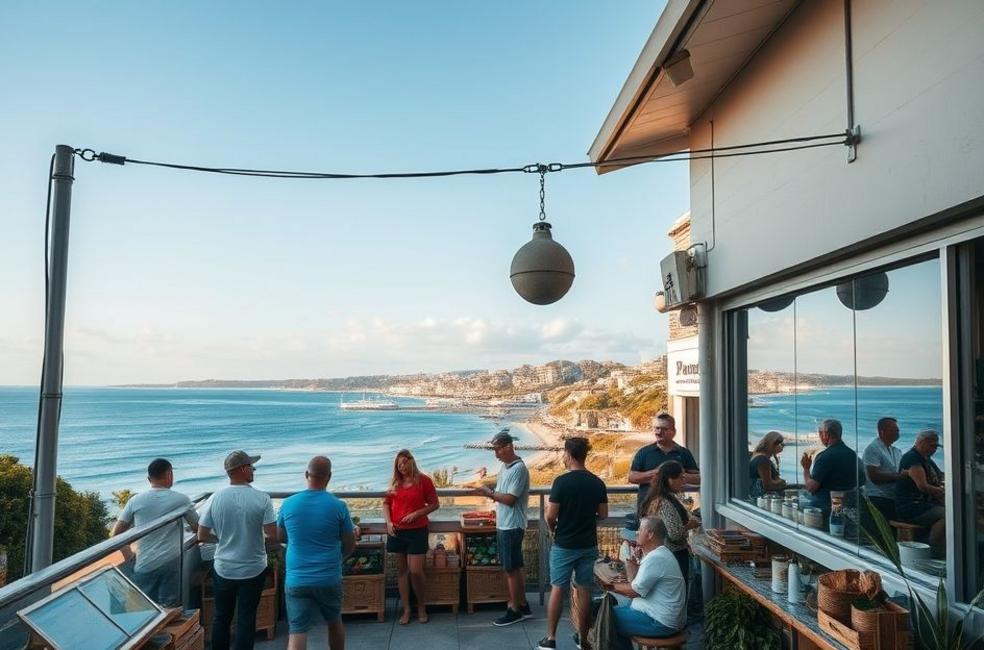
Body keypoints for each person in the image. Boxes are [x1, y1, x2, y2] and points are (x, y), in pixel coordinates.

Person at [198, 450, 277, 650]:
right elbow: (272, 534)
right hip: (253, 568)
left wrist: (222, 539)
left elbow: (202, 534)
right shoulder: (262, 498)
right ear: (243, 469)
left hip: (224, 568)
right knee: (246, 618)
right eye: (251, 466)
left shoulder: (215, 498)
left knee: (221, 617)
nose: (254, 470)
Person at [277, 456, 356, 650]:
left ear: (306, 475)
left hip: (297, 578)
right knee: (334, 623)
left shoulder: (288, 504)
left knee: (297, 631)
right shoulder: (338, 506)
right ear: (329, 477)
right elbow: (349, 542)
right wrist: (339, 559)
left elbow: (281, 536)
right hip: (329, 576)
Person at [536, 437, 608, 650]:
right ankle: (583, 639)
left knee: (558, 587)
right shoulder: (597, 482)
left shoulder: (561, 482)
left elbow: (550, 515)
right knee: (584, 589)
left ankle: (550, 638)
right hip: (588, 543)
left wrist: (553, 528)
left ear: (568, 454)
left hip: (564, 543)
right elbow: (603, 514)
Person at [111, 458, 199, 606]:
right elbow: (198, 528)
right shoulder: (181, 500)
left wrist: (128, 554)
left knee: (141, 609)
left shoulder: (136, 500)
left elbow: (116, 533)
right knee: (169, 609)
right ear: (169, 475)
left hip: (145, 563)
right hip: (171, 564)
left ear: (148, 478)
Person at [473, 429, 531, 626]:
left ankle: (515, 609)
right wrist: (487, 487)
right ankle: (523, 604)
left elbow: (509, 499)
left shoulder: (518, 469)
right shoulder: (506, 468)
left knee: (510, 569)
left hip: (512, 526)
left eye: (498, 449)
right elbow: (502, 490)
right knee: (516, 566)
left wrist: (488, 493)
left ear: (509, 447)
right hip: (505, 524)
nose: (495, 454)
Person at [606, 517, 686, 649]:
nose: (637, 532)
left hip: (660, 622)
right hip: (657, 615)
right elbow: (636, 585)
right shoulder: (657, 554)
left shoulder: (656, 558)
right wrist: (630, 565)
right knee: (609, 612)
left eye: (641, 529)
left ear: (650, 534)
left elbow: (634, 592)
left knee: (606, 618)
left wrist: (610, 586)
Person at [383, 449, 440, 625]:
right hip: (397, 532)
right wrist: (388, 523)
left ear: (411, 461)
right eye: (399, 465)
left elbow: (434, 504)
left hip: (417, 531)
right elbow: (386, 504)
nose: (402, 467)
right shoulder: (395, 483)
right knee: (402, 572)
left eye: (404, 463)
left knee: (415, 571)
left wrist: (417, 514)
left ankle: (421, 606)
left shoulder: (424, 480)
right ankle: (406, 609)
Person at [639, 461, 700, 588]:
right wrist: (690, 525)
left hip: (659, 552)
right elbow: (675, 534)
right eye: (681, 477)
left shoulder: (655, 498)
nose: (684, 481)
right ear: (669, 479)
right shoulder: (665, 502)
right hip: (674, 554)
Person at [628, 413, 699, 513]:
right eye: (657, 428)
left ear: (673, 432)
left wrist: (678, 476)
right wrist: (658, 473)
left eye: (664, 429)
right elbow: (632, 478)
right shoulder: (644, 452)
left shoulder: (683, 453)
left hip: (675, 508)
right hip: (648, 509)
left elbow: (698, 479)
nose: (659, 432)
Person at [800, 419, 865, 517]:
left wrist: (806, 469)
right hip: (847, 508)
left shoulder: (825, 456)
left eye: (820, 433)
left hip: (824, 507)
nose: (820, 437)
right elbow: (862, 480)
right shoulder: (852, 455)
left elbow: (811, 487)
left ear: (826, 435)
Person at [896, 429, 946, 558]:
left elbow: (940, 475)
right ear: (921, 442)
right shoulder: (912, 459)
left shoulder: (926, 459)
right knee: (947, 515)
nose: (934, 450)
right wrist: (943, 492)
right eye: (932, 446)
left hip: (924, 504)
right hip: (911, 506)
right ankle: (936, 551)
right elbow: (922, 486)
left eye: (936, 447)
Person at [862, 417, 903, 522]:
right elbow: (874, 477)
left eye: (897, 429)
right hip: (878, 498)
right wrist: (899, 476)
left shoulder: (895, 450)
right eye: (894, 430)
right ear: (882, 432)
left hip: (892, 497)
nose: (897, 432)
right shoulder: (873, 449)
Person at [748, 431, 787, 498]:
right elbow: (768, 485)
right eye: (781, 444)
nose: (782, 447)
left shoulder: (755, 455)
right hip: (762, 498)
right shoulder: (763, 460)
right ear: (773, 444)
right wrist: (782, 483)